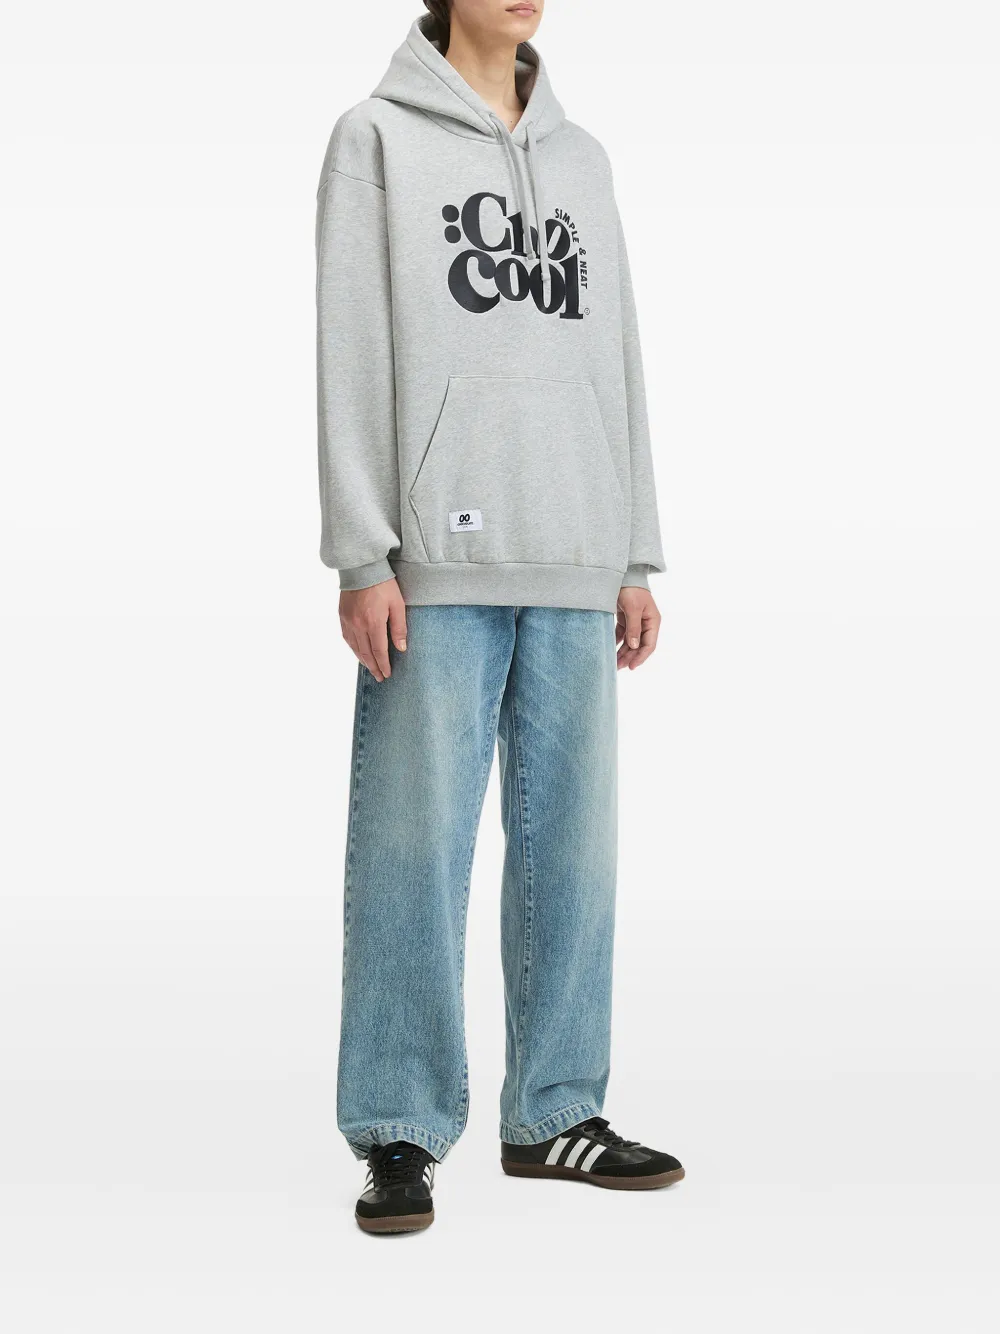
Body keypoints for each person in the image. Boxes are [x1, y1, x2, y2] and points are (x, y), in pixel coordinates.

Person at [316, 0, 683, 1235]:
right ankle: (399, 1124)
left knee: (574, 853)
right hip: (434, 556)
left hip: (576, 547)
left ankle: (555, 1111)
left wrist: (633, 548)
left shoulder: (584, 159)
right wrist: (362, 549)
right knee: (412, 850)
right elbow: (351, 347)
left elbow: (617, 355)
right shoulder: (374, 138)